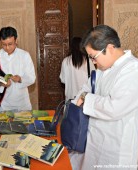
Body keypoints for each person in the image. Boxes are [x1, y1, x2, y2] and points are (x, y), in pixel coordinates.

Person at [72, 25, 138, 169]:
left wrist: (86, 99)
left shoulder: (134, 70)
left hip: (117, 144)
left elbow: (114, 107)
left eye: (93, 57)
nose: (93, 62)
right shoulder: (103, 69)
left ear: (109, 48)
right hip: (95, 139)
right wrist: (84, 97)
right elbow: (83, 90)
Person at [59, 37, 95, 170]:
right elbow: (93, 80)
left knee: (70, 129)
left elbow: (62, 79)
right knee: (83, 130)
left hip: (71, 101)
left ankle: (69, 159)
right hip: (84, 101)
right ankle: (83, 158)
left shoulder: (66, 61)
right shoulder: (90, 61)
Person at [0, 26, 36, 112]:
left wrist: (20, 79)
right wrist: (1, 85)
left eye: (10, 44)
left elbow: (32, 78)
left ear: (16, 41)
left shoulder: (25, 55)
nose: (7, 47)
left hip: (22, 104)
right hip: (4, 104)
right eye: (4, 44)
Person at [60, 37, 95, 101]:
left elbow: (63, 80)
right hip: (84, 99)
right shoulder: (88, 61)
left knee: (71, 111)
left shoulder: (66, 61)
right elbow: (94, 78)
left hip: (70, 99)